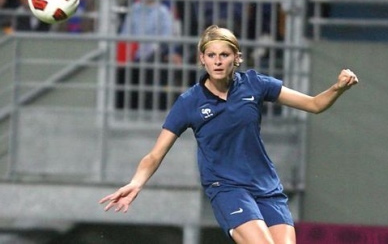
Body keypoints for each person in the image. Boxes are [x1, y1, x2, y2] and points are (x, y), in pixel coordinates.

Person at [100, 25, 359, 243]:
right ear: (202, 58)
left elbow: (314, 104)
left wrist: (338, 88)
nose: (217, 61)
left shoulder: (255, 84)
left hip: (266, 187)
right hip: (227, 188)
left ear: (237, 57)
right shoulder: (189, 102)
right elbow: (155, 155)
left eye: (224, 54)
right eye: (211, 55)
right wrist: (136, 182)